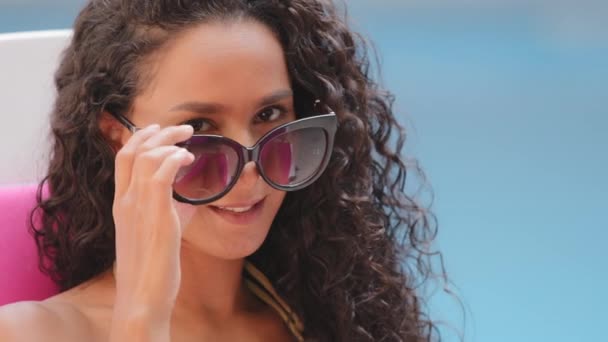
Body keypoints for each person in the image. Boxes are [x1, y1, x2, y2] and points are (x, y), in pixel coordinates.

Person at [0, 0, 446, 341]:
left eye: (270, 113)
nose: (250, 169)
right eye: (199, 125)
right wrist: (143, 313)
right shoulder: (28, 333)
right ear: (118, 136)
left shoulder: (334, 319)